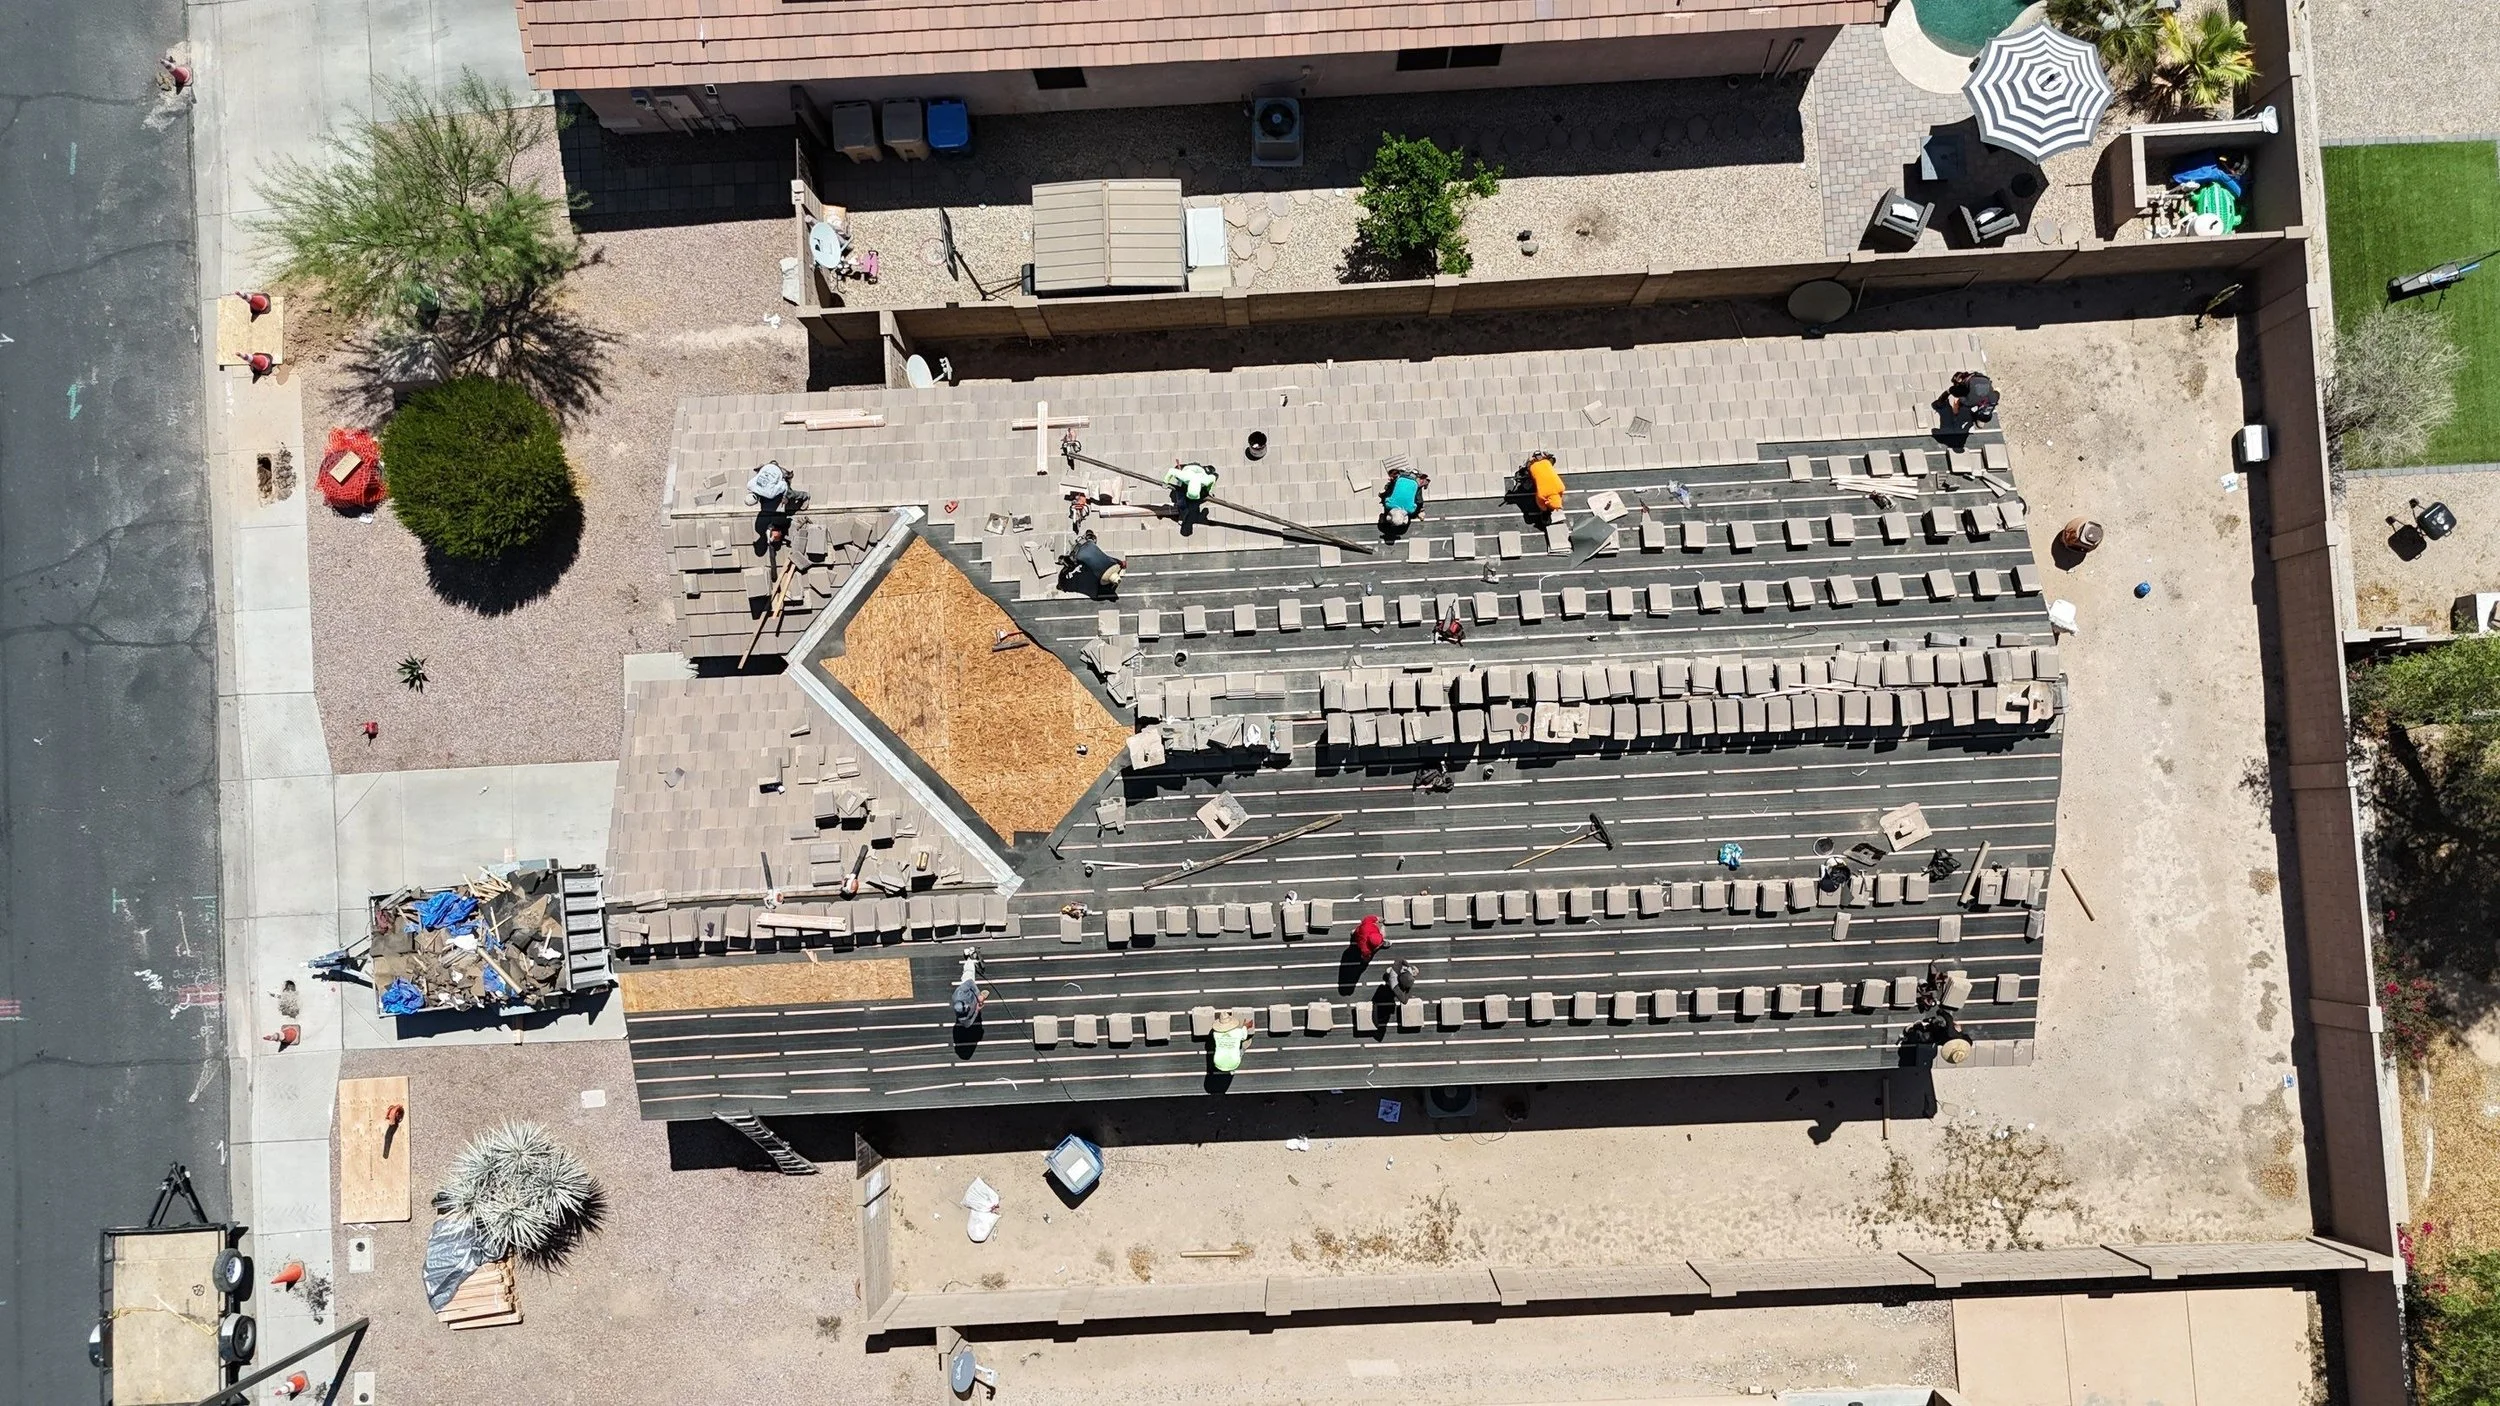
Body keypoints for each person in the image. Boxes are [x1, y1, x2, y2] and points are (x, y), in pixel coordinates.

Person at [1380, 466, 1430, 533]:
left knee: (1419, 500)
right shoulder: (1389, 505)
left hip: (1415, 480)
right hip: (1401, 477)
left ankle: (1421, 510)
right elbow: (1386, 499)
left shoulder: (1410, 510)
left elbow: (1415, 505)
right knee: (1389, 494)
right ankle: (1420, 511)